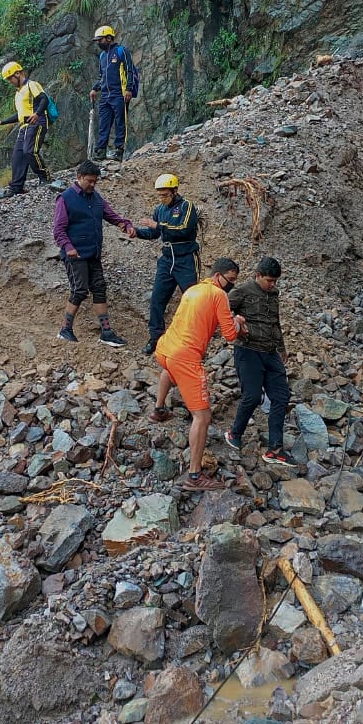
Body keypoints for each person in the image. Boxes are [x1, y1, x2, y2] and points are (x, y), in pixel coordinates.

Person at [151, 258, 247, 491]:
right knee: (202, 417)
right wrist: (239, 324)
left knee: (168, 370)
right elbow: (230, 335)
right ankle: (194, 476)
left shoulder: (193, 289)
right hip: (186, 357)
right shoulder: (218, 295)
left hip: (165, 349)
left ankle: (159, 410)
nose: (231, 285)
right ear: (218, 276)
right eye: (230, 280)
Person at [52, 159, 136, 346]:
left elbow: (112, 216)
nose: (92, 184)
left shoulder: (96, 198)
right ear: (79, 177)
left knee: (99, 288)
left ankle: (106, 333)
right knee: (79, 290)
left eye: (95, 181)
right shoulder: (65, 198)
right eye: (89, 181)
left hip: (93, 254)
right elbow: (58, 229)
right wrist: (68, 247)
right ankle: (65, 329)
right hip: (75, 255)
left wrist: (125, 224)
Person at [225, 257, 298, 468]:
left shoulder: (274, 294)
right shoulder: (243, 291)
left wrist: (282, 348)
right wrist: (234, 322)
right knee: (253, 396)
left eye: (275, 281)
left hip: (270, 352)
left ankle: (275, 449)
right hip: (247, 350)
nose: (272, 284)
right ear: (257, 275)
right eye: (269, 280)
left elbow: (275, 322)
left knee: (281, 397)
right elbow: (220, 309)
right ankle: (234, 433)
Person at [135, 173, 201, 354]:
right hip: (166, 260)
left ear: (175, 191)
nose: (162, 198)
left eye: (165, 195)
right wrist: (136, 232)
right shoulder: (160, 209)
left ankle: (194, 340)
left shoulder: (186, 206)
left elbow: (183, 229)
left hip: (185, 257)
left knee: (191, 300)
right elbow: (153, 234)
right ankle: (156, 338)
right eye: (160, 195)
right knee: (157, 299)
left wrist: (157, 226)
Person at [0, 61, 51, 196]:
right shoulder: (18, 94)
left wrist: (37, 114)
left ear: (18, 73)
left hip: (37, 121)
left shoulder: (32, 85)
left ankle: (45, 177)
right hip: (24, 125)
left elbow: (44, 99)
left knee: (30, 151)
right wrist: (1, 122)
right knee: (18, 156)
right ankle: (16, 188)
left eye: (10, 78)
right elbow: (19, 115)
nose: (10, 82)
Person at [89, 25, 140, 162]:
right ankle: (101, 151)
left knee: (120, 123)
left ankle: (119, 150)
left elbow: (129, 70)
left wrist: (128, 89)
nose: (99, 43)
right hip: (105, 96)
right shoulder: (102, 56)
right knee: (104, 123)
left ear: (109, 38)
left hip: (120, 94)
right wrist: (95, 89)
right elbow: (102, 76)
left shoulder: (121, 51)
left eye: (100, 40)